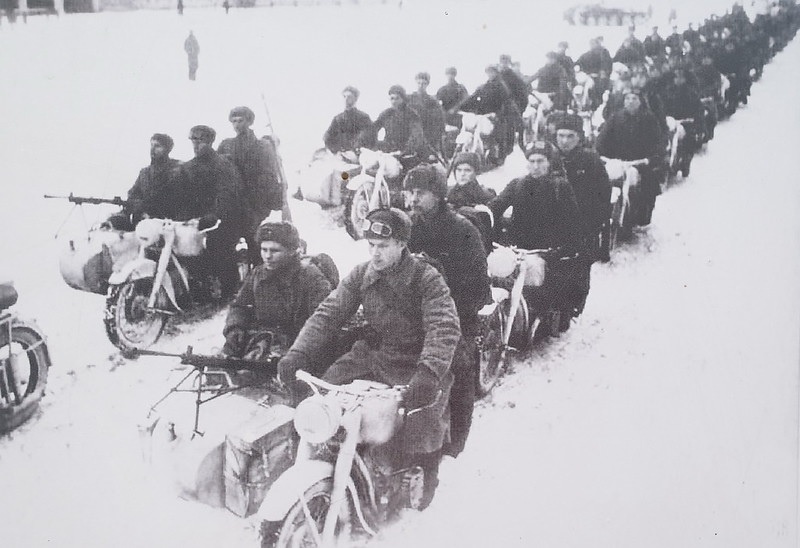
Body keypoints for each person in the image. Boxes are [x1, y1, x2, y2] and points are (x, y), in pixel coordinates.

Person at [278, 207, 460, 508]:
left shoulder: (427, 279)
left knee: (422, 418)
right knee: (322, 396)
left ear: (401, 244)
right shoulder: (362, 274)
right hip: (374, 355)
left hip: (415, 362)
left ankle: (426, 472)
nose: (375, 253)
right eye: (371, 245)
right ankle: (321, 460)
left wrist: (429, 371)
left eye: (383, 246)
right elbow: (328, 314)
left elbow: (443, 325)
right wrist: (298, 353)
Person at [403, 165, 491, 458]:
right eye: (409, 192)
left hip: (457, 317)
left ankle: (455, 444)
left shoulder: (463, 231)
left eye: (420, 192)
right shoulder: (407, 228)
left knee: (459, 367)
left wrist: (444, 302)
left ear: (438, 194)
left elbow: (479, 289)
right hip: (413, 316)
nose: (413, 199)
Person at [489, 140, 583, 328]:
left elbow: (572, 223)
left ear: (549, 163)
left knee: (538, 281)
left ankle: (542, 317)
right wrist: (483, 214)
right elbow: (496, 206)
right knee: (495, 272)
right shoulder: (517, 184)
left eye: (540, 161)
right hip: (517, 249)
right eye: (532, 161)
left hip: (546, 251)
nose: (536, 166)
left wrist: (560, 249)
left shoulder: (560, 187)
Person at [222, 222, 332, 359]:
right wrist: (235, 328)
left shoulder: (311, 277)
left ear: (291, 251)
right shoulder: (258, 274)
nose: (267, 256)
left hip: (297, 344)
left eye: (274, 251)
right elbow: (240, 306)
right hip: (263, 339)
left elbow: (322, 320)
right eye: (264, 250)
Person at [172, 125, 243, 298]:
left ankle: (229, 292)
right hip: (196, 220)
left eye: (201, 140)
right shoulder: (187, 167)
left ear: (211, 141)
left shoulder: (223, 165)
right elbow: (182, 197)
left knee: (219, 246)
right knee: (181, 245)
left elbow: (227, 194)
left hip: (222, 219)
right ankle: (196, 288)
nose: (196, 145)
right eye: (193, 140)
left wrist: (214, 215)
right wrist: (183, 217)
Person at [554, 114, 611, 302]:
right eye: (561, 135)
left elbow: (603, 193)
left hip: (583, 223)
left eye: (570, 136)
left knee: (579, 268)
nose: (564, 141)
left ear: (579, 137)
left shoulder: (590, 159)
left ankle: (575, 303)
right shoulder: (549, 158)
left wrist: (594, 224)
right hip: (554, 222)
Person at [218, 106, 283, 266]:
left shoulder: (262, 146)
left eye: (240, 121)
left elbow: (268, 176)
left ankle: (260, 275)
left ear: (249, 122)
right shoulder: (226, 145)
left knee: (256, 245)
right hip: (233, 204)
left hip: (254, 204)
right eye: (234, 121)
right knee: (225, 246)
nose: (237, 125)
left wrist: (260, 205)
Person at [595, 89, 664, 226]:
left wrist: (650, 159)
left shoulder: (649, 119)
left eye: (634, 99)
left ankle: (640, 212)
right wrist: (600, 153)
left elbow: (657, 142)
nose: (630, 102)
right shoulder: (615, 118)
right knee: (601, 182)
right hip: (616, 162)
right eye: (627, 98)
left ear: (640, 102)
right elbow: (602, 139)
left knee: (647, 186)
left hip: (639, 163)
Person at [458, 65, 515, 160]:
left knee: (498, 134)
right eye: (488, 72)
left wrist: (497, 114)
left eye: (492, 72)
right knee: (470, 130)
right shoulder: (483, 87)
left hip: (495, 117)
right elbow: (472, 98)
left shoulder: (502, 87)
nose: (490, 74)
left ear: (496, 73)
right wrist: (460, 107)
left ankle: (498, 155)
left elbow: (506, 104)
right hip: (482, 116)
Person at [124, 133, 182, 227]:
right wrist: (139, 208)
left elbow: (178, 197)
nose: (152, 149)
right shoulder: (145, 172)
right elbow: (133, 194)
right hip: (144, 221)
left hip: (168, 222)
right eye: (151, 145)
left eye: (157, 146)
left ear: (168, 149)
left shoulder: (177, 169)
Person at [369, 85, 426, 167]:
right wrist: (370, 144)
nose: (394, 101)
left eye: (397, 98)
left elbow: (416, 135)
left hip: (405, 153)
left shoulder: (411, 114)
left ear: (403, 99)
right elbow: (373, 129)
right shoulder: (387, 113)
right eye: (392, 98)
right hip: (388, 150)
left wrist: (405, 151)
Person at [322, 86, 373, 155]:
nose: (346, 99)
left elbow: (367, 136)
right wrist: (336, 149)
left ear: (355, 99)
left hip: (358, 153)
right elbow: (328, 137)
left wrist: (355, 148)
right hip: (340, 153)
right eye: (344, 96)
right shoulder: (338, 119)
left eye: (349, 97)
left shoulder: (363, 117)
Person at [408, 72, 446, 158]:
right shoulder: (409, 99)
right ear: (416, 83)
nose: (421, 85)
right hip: (411, 132)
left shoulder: (432, 101)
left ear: (427, 84)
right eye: (419, 83)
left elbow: (440, 120)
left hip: (427, 133)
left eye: (424, 83)